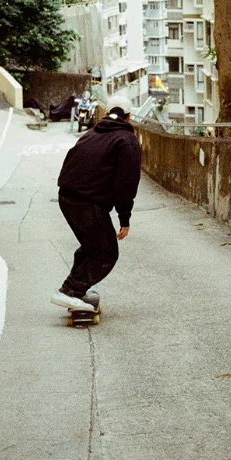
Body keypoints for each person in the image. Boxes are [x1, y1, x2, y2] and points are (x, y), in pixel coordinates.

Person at [52, 95, 141, 312]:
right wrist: (124, 217)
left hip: (66, 197)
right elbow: (126, 183)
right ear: (128, 118)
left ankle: (77, 291)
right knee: (106, 253)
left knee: (91, 248)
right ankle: (69, 291)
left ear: (105, 113)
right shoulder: (126, 141)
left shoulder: (90, 134)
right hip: (87, 203)